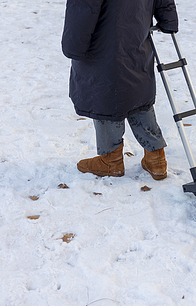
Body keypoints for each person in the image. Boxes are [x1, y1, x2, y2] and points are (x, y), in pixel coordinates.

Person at [61, 0, 178, 180]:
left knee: (106, 95)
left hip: (102, 42)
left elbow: (83, 8)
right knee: (136, 91)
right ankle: (156, 158)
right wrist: (168, 19)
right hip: (136, 35)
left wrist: (73, 47)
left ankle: (110, 160)